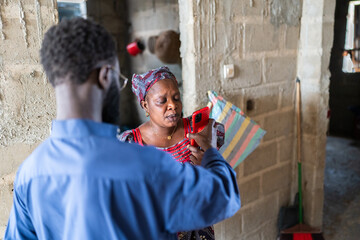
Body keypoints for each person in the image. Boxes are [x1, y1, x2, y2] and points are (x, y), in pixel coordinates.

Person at [4, 18, 240, 240]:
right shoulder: (143, 164)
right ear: (106, 77)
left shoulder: (29, 174)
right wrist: (210, 155)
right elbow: (223, 197)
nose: (172, 106)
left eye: (176, 98)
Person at [119, 66, 224, 239]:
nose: (173, 106)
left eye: (176, 98)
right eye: (162, 101)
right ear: (145, 105)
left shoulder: (200, 131)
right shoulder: (130, 144)